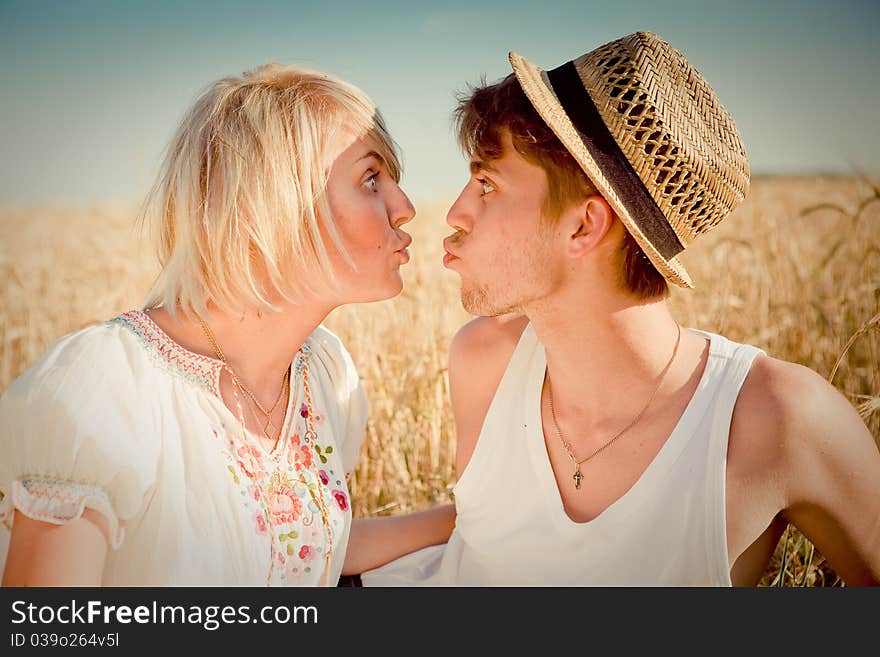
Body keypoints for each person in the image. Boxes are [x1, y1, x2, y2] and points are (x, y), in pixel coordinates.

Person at [361, 31, 880, 586]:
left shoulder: (780, 421)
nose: (456, 213)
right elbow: (480, 537)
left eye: (486, 184)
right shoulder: (483, 360)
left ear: (584, 225)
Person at [0, 62, 454, 586]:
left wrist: (467, 519)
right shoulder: (105, 391)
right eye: (371, 179)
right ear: (276, 203)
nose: (405, 207)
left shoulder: (325, 373)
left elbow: (304, 548)